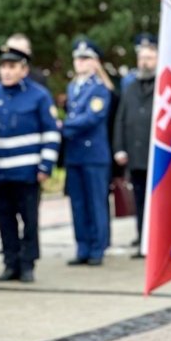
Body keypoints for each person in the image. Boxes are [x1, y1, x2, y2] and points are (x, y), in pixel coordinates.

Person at [0, 44, 60, 283]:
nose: (6, 72)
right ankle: (10, 264)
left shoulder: (39, 95)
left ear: (24, 70)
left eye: (12, 66)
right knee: (4, 220)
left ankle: (28, 264)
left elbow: (51, 132)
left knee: (29, 221)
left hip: (27, 172)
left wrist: (45, 165)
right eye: (3, 67)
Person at [62, 38, 112, 266]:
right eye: (77, 59)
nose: (80, 63)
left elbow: (92, 118)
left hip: (94, 155)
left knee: (95, 202)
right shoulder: (73, 87)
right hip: (75, 154)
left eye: (85, 58)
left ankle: (97, 248)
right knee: (78, 203)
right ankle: (82, 247)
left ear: (94, 62)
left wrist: (64, 125)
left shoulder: (99, 88)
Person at [113, 41, 157, 256]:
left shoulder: (164, 86)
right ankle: (142, 239)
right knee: (139, 200)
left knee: (157, 202)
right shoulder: (130, 87)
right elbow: (121, 119)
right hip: (136, 155)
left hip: (156, 155)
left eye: (149, 58)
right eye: (141, 58)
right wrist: (119, 148)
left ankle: (157, 242)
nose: (144, 62)